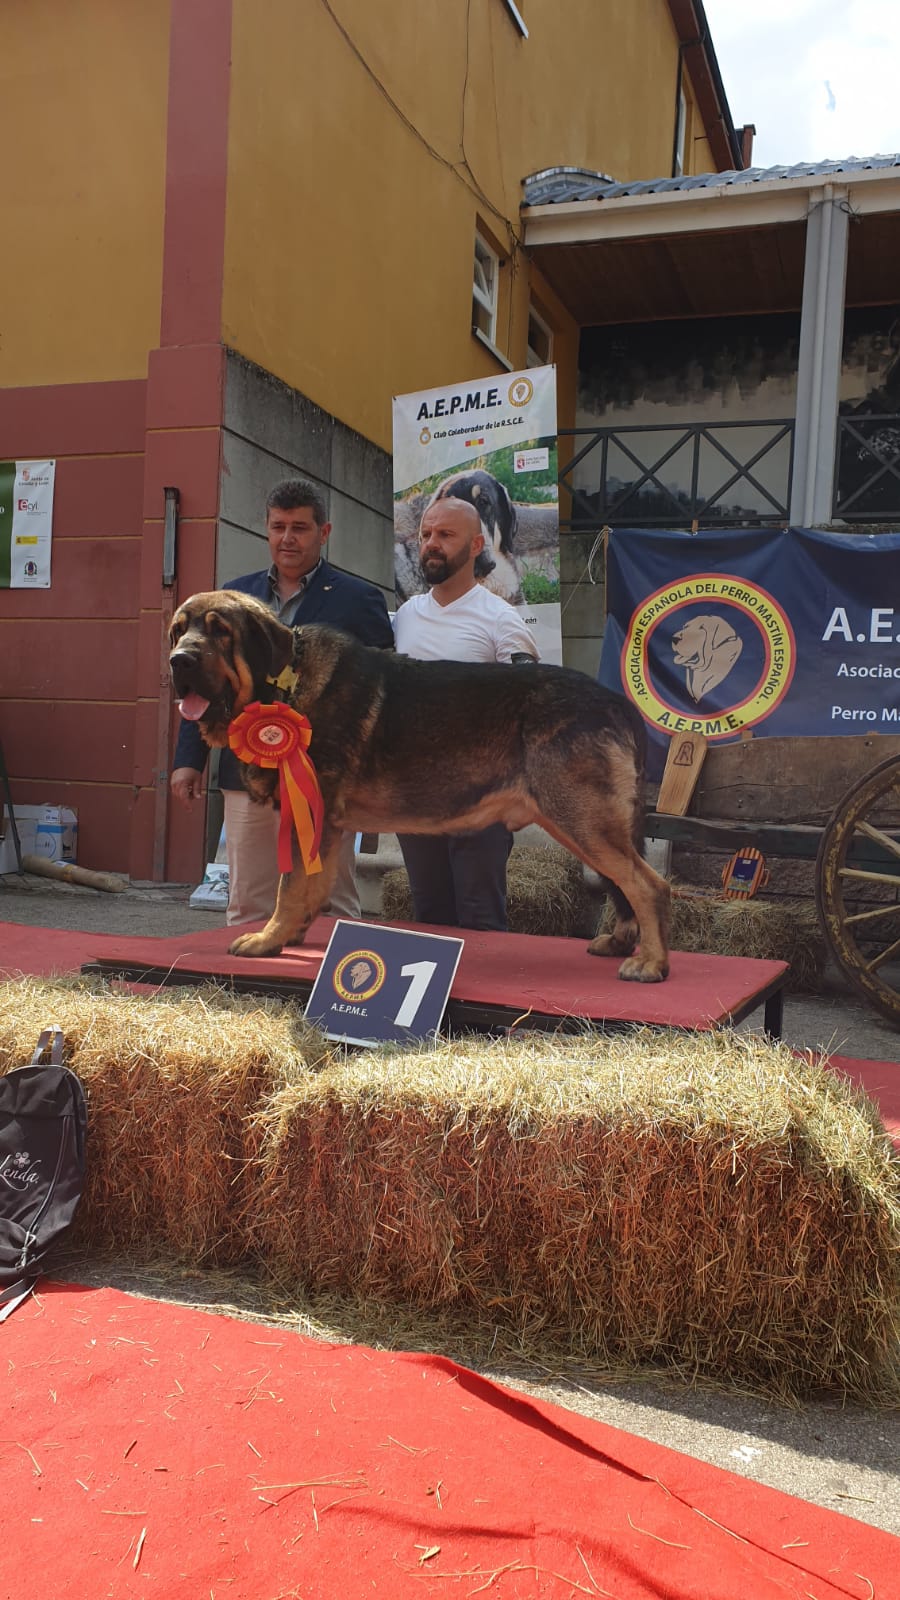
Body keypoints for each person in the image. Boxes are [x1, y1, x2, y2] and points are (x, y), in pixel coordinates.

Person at [171, 478, 394, 925]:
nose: (287, 538)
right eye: (278, 527)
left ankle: (336, 990)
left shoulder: (360, 600)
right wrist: (189, 758)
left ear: (323, 533)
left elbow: (383, 692)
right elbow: (201, 681)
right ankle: (249, 991)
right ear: (267, 531)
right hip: (244, 772)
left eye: (300, 527)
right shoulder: (227, 599)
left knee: (331, 898)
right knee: (249, 899)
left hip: (327, 777)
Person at [393, 495, 539, 931]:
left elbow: (533, 709)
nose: (431, 544)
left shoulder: (501, 619)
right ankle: (438, 1002)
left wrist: (526, 791)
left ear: (476, 545)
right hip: (414, 794)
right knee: (429, 913)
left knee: (480, 915)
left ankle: (486, 1001)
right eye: (425, 535)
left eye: (445, 534)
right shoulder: (403, 617)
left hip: (482, 794)